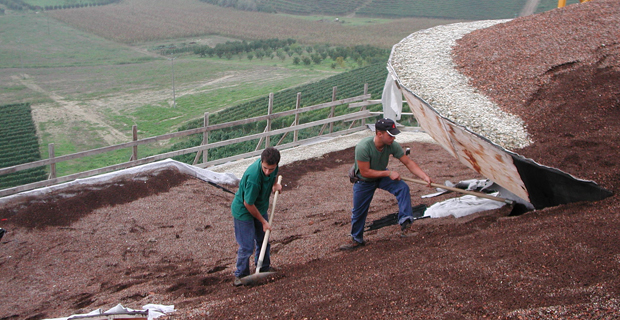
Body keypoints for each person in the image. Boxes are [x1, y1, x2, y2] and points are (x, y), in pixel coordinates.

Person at [341, 118, 433, 251]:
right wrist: (388, 174)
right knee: (359, 211)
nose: (393, 138)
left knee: (402, 188)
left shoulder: (391, 145)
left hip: (382, 174)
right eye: (390, 135)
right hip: (364, 180)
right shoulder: (363, 147)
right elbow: (365, 172)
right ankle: (356, 239)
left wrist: (424, 177)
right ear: (379, 134)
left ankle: (406, 225)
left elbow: (408, 162)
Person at [231, 147, 283, 286]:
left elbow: (272, 177)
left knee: (263, 239)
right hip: (243, 211)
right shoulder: (253, 177)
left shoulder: (273, 168)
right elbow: (248, 204)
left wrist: (275, 185)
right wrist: (263, 222)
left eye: (271, 169)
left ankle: (264, 268)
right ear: (261, 161)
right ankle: (241, 275)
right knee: (247, 245)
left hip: (259, 207)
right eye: (265, 168)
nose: (267, 172)